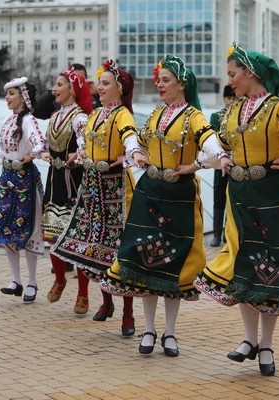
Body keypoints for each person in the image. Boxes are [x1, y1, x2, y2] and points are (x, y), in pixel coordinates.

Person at [193, 42, 279, 376]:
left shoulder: (278, 107)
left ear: (250, 73)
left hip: (272, 192)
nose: (230, 81)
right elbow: (216, 144)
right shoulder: (232, 112)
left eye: (233, 74)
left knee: (269, 266)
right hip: (240, 192)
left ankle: (267, 344)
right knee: (244, 262)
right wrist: (215, 158)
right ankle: (248, 339)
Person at [100, 56, 219, 356]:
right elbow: (136, 141)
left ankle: (170, 333)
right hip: (149, 191)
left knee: (173, 264)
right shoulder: (154, 115)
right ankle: (149, 329)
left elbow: (212, 145)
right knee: (143, 261)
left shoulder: (193, 116)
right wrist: (136, 155)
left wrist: (196, 165)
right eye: (159, 79)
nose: (160, 84)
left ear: (181, 84)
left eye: (166, 80)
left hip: (178, 194)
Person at [51, 60, 139, 336]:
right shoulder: (97, 114)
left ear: (120, 88)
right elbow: (85, 142)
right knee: (94, 245)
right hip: (92, 186)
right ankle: (106, 302)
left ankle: (128, 313)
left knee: (118, 249)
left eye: (105, 83)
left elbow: (129, 136)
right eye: (99, 83)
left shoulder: (122, 114)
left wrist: (133, 152)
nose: (99, 88)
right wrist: (80, 154)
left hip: (114, 188)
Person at [0, 77, 45, 303]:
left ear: (23, 97)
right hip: (7, 178)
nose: (7, 98)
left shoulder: (28, 120)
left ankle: (31, 282)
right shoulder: (8, 119)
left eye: (12, 94)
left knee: (28, 228)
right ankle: (16, 280)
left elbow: (39, 142)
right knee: (7, 227)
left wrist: (32, 155)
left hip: (23, 179)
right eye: (7, 94)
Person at [40, 67, 93, 313]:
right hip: (55, 179)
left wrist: (77, 155)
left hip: (74, 181)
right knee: (52, 233)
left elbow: (87, 148)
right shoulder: (54, 116)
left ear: (72, 90)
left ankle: (82, 293)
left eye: (59, 84)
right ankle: (60, 279)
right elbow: (44, 143)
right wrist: (42, 152)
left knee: (77, 239)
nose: (54, 88)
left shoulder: (80, 118)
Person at [209, 85, 237, 247]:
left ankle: (228, 232)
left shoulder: (240, 116)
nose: (231, 102)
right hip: (220, 163)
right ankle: (216, 235)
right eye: (229, 99)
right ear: (224, 99)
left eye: (234, 98)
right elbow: (212, 140)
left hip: (237, 164)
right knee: (218, 198)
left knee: (232, 198)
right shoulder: (216, 116)